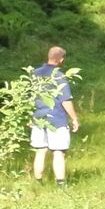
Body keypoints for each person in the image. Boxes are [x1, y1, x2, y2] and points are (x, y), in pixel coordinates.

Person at [31, 46, 79, 186]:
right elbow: (65, 100)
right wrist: (74, 118)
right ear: (61, 59)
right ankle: (60, 185)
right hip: (56, 119)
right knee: (58, 152)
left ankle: (38, 183)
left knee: (40, 151)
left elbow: (30, 98)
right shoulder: (59, 76)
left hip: (38, 117)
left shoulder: (35, 74)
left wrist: (30, 117)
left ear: (49, 56)